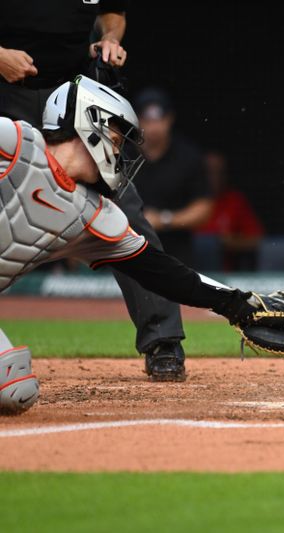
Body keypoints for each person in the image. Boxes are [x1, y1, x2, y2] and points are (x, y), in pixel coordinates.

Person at [0, 76, 284, 414]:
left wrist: (236, 304)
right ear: (89, 120)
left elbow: (162, 272)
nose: (119, 148)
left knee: (15, 388)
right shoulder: (16, 141)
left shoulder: (94, 216)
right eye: (116, 135)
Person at [0, 0, 189, 382]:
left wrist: (109, 39)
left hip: (70, 96)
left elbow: (113, 13)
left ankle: (163, 340)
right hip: (6, 94)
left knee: (126, 211)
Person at [134, 88, 214, 267]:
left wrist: (165, 219)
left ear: (169, 119)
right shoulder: (123, 152)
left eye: (159, 119)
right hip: (126, 248)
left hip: (175, 253)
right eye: (147, 119)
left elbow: (204, 208)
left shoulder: (188, 156)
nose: (154, 127)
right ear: (137, 120)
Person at [194, 151, 265, 272]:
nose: (213, 177)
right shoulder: (187, 201)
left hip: (224, 274)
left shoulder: (235, 200)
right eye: (208, 172)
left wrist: (227, 242)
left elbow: (258, 241)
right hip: (189, 269)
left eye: (219, 172)